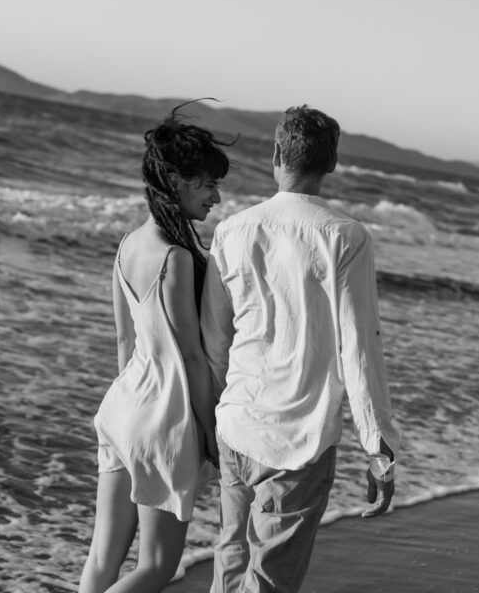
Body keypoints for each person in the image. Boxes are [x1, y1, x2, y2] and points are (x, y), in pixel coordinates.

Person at [201, 105, 399, 593]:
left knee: (230, 564)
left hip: (237, 424)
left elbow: (215, 337)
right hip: (298, 442)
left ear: (276, 154)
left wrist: (212, 417)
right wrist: (378, 448)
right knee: (268, 582)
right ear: (330, 165)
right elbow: (359, 349)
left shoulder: (232, 229)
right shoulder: (344, 236)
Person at [79, 111, 231, 593]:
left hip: (123, 408)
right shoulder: (177, 257)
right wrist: (211, 435)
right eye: (206, 184)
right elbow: (189, 357)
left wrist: (134, 406)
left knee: (102, 559)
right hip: (165, 420)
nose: (216, 196)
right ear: (177, 182)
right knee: (157, 567)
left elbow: (125, 342)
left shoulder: (127, 246)